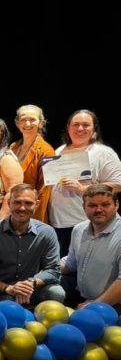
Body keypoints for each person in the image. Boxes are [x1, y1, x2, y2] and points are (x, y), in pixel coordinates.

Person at [48, 110, 121, 256]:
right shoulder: (58, 151)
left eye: (86, 125)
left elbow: (118, 184)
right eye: (76, 125)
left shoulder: (103, 152)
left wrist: (84, 189)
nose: (80, 128)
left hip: (87, 223)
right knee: (64, 270)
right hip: (56, 223)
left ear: (94, 129)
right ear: (68, 128)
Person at [0, 183, 64, 306]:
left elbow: (53, 269)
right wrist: (8, 288)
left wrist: (30, 284)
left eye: (28, 203)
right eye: (17, 202)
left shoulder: (47, 232)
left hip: (32, 290)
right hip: (0, 291)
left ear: (37, 204)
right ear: (9, 203)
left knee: (56, 292)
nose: (22, 208)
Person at [62, 184, 121, 309]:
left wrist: (94, 306)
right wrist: (44, 270)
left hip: (113, 305)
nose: (99, 210)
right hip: (83, 298)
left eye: (105, 205)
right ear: (84, 207)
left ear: (116, 205)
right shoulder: (79, 229)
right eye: (92, 205)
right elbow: (71, 263)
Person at [10, 104, 55, 221]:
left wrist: (36, 221)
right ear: (17, 123)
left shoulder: (47, 151)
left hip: (31, 213)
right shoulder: (13, 147)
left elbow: (45, 190)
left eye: (32, 120)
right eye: (23, 120)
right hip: (12, 210)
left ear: (41, 123)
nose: (27, 124)